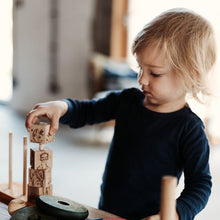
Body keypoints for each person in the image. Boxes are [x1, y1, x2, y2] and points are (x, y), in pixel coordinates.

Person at [25, 8, 217, 220]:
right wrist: (63, 106)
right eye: (140, 68)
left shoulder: (190, 129)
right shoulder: (127, 100)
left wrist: (176, 213)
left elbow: (200, 186)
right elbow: (88, 111)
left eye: (154, 73)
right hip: (109, 210)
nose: (142, 79)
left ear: (191, 76)